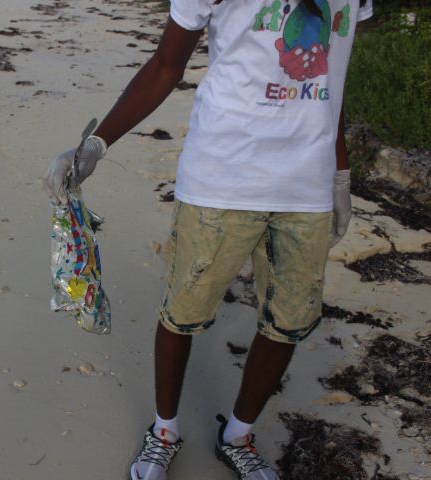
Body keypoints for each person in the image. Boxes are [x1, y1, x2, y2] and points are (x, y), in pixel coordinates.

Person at [43, 0, 373, 478]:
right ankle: (163, 430)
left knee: (287, 321)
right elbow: (166, 65)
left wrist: (340, 175)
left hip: (307, 185)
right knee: (183, 312)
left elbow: (332, 85)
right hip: (221, 177)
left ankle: (238, 435)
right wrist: (97, 144)